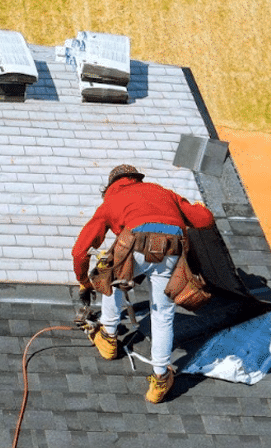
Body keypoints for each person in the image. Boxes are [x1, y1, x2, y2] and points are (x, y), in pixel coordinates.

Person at [71, 164, 216, 403]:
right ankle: (160, 377)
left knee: (111, 276)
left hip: (135, 244)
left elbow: (80, 251)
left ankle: (108, 336)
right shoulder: (162, 192)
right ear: (136, 179)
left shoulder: (111, 201)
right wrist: (198, 207)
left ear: (110, 186)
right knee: (162, 315)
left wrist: (85, 281)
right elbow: (204, 220)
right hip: (171, 249)